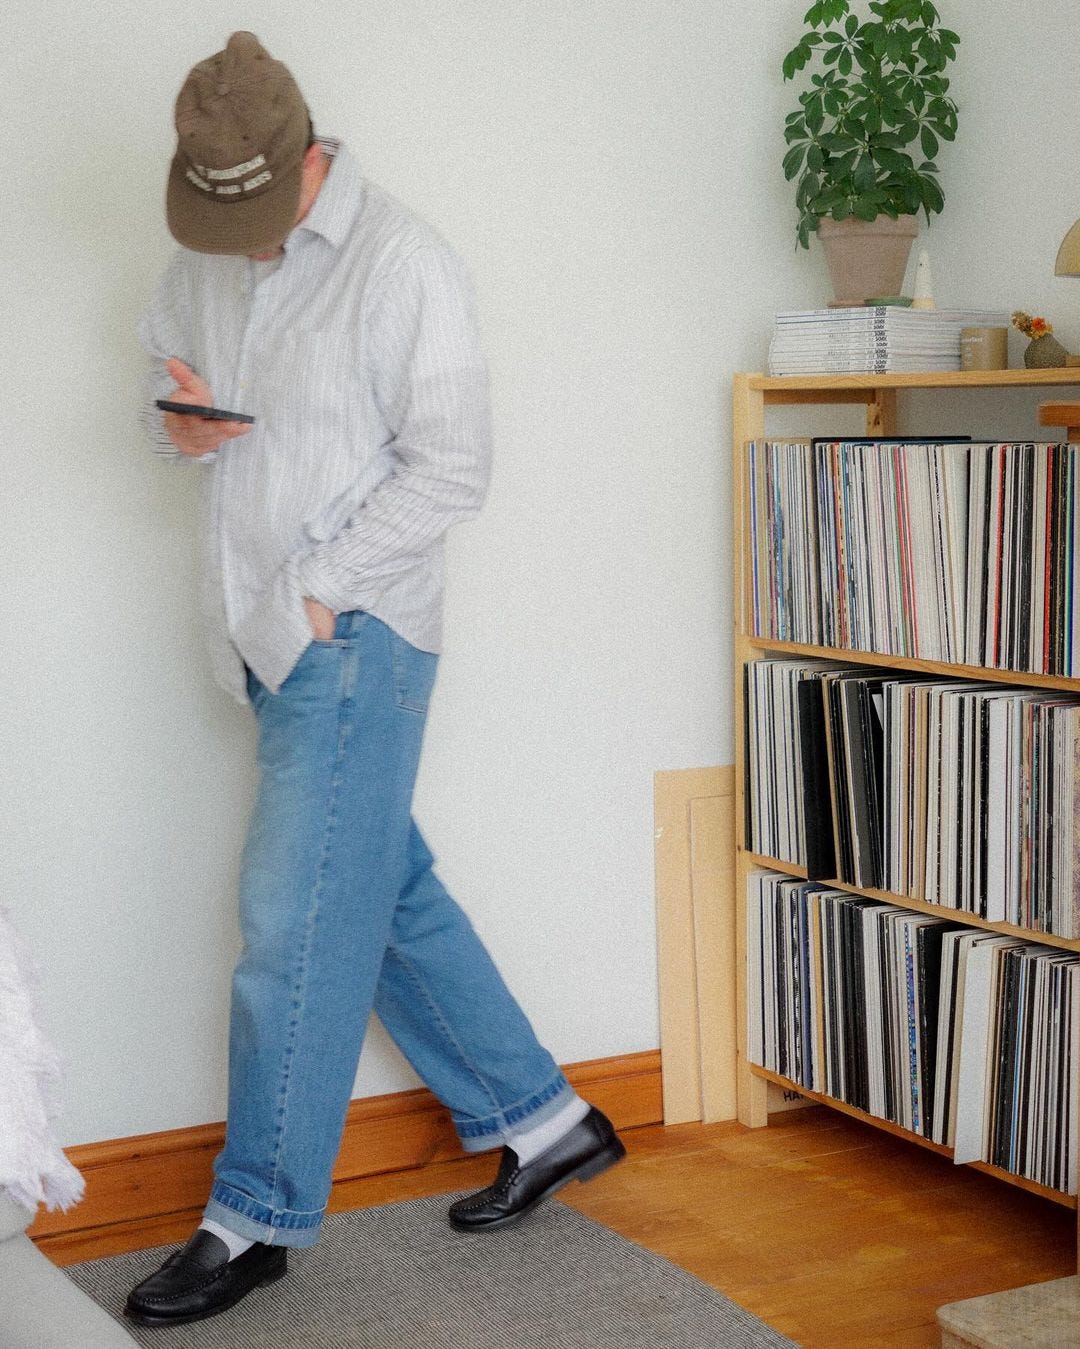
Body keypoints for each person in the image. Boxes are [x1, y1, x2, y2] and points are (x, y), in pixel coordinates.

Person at [124, 31, 624, 1330]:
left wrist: (319, 587)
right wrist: (171, 418)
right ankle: (547, 1117)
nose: (220, 237)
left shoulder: (406, 265)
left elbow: (453, 467)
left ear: (298, 160)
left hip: (356, 637)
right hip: (252, 635)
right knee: (379, 889)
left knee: (295, 925)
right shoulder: (202, 254)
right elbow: (172, 381)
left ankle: (253, 1216)